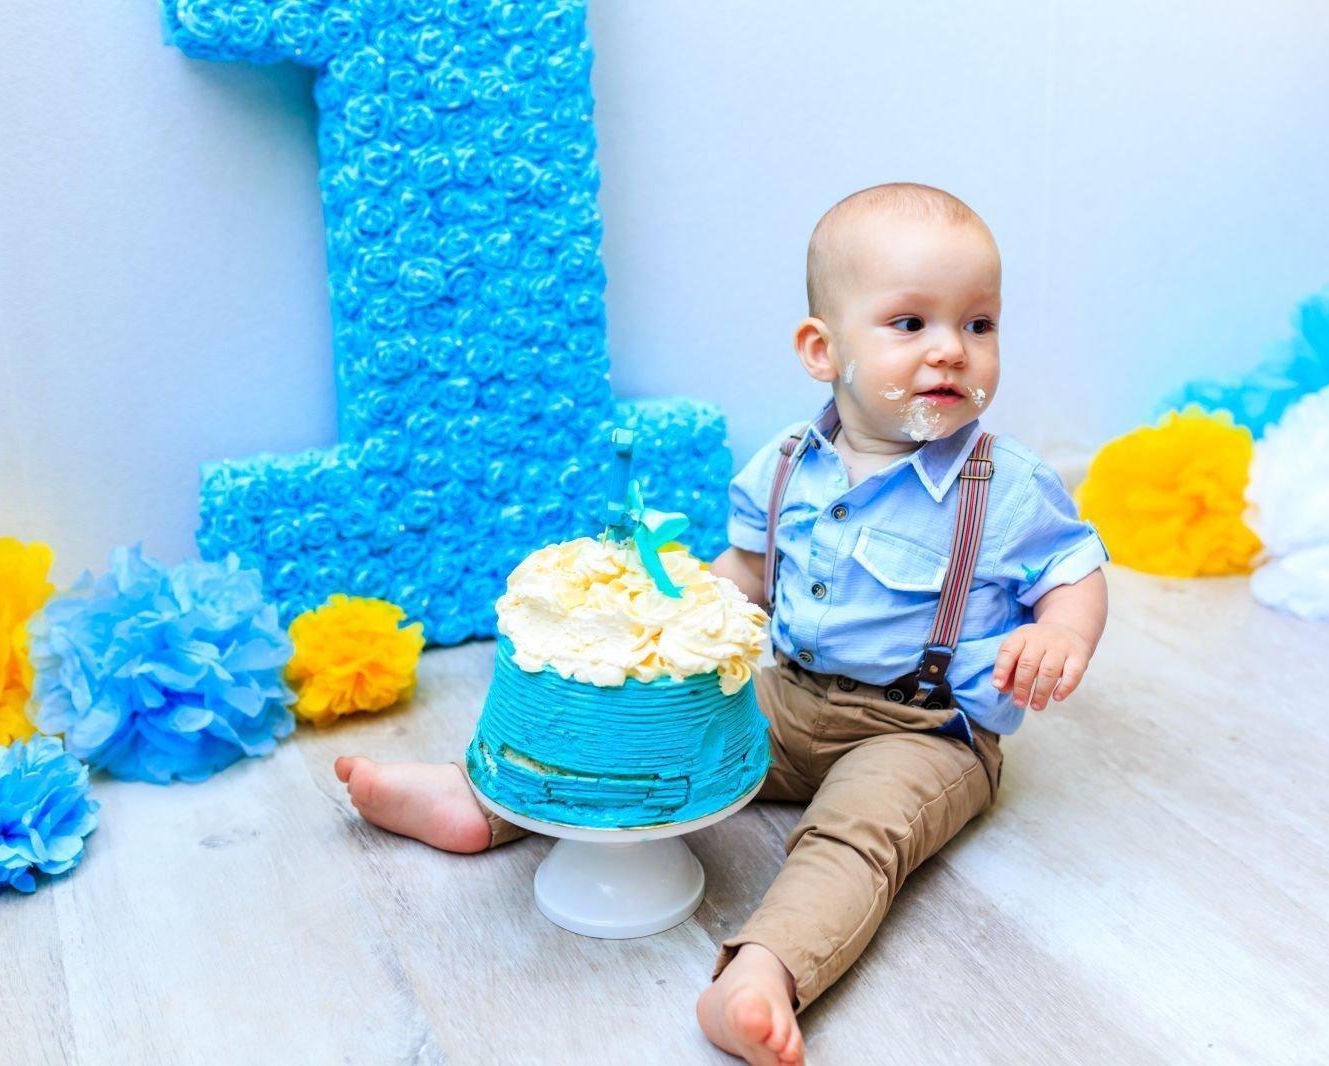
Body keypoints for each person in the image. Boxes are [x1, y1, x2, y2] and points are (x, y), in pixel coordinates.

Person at [334, 183, 1109, 1066]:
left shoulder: (1003, 485)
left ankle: (763, 972)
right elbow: (746, 573)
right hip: (796, 693)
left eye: (978, 324)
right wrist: (672, 616)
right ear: (823, 349)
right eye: (910, 323)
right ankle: (479, 802)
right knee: (661, 730)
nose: (951, 350)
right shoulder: (787, 464)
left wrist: (1062, 633)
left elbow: (1075, 570)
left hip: (924, 729)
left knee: (856, 832)